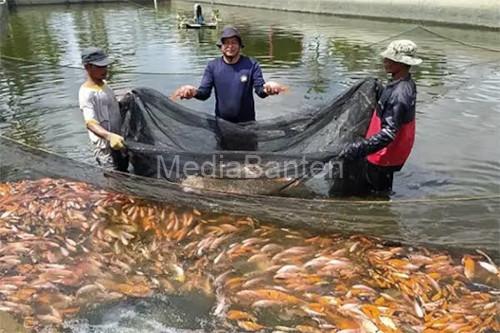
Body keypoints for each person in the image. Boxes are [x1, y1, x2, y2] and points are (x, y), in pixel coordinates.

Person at [339, 39, 422, 195]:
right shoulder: (402, 83)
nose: (385, 61)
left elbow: (388, 134)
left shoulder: (400, 94)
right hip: (389, 153)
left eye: (389, 59)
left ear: (400, 63)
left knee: (377, 193)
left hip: (384, 155)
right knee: (377, 187)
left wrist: (357, 149)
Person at [172, 26, 286, 124]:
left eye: (234, 42)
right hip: (222, 125)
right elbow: (204, 93)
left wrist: (268, 89)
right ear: (220, 46)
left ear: (240, 45)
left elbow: (260, 90)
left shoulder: (252, 64)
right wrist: (193, 92)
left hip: (248, 125)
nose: (230, 46)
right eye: (226, 43)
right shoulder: (212, 66)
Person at [78, 47, 128, 171]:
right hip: (105, 148)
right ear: (88, 67)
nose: (104, 69)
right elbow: (90, 123)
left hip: (119, 142)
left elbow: (111, 106)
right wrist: (109, 136)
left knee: (126, 175)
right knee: (113, 181)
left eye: (105, 66)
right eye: (100, 66)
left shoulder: (104, 85)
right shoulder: (86, 93)